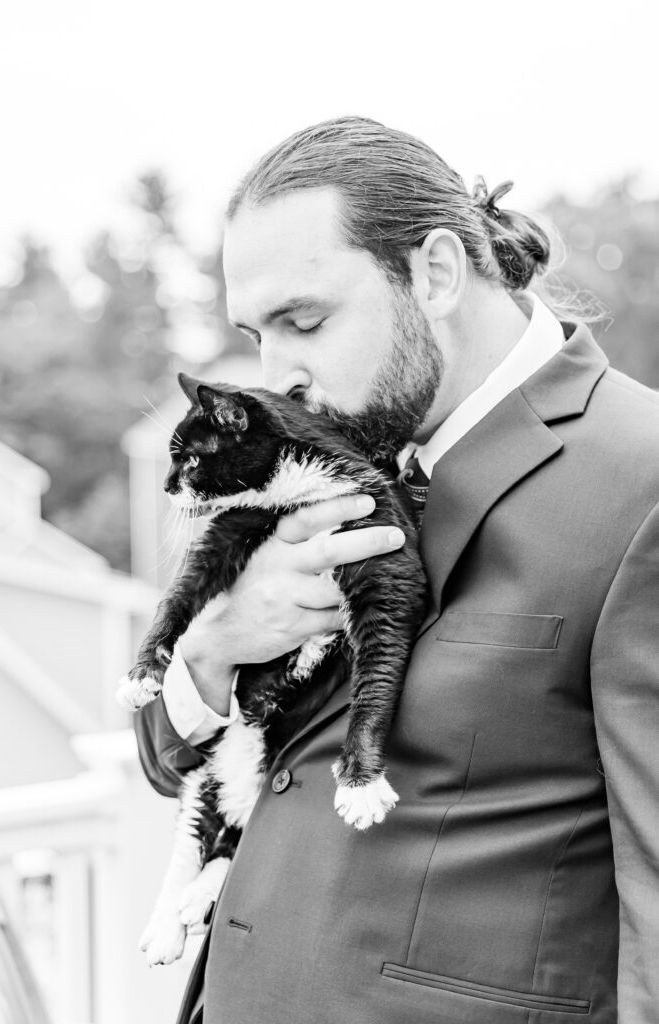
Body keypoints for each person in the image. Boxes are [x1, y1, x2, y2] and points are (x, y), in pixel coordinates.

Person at [134, 117, 659, 1024]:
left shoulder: (641, 479)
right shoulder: (291, 469)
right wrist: (217, 646)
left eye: (303, 321)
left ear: (436, 272)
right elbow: (168, 758)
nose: (276, 375)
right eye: (256, 334)